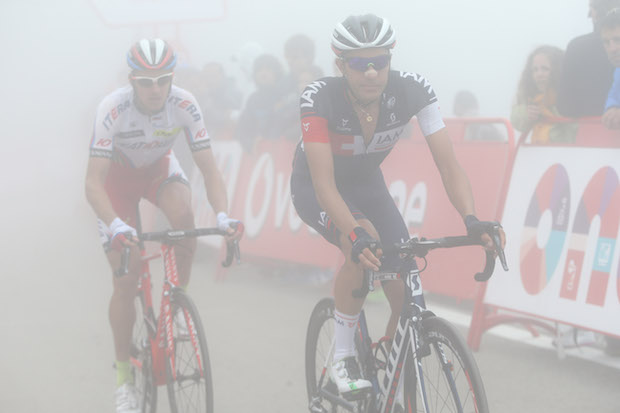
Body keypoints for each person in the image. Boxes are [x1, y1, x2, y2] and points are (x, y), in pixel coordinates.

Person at [290, 14, 504, 394]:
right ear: (340, 64)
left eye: (380, 61)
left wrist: (471, 219)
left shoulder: (413, 91)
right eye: (359, 63)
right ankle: (342, 357)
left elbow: (448, 165)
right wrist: (354, 235)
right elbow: (324, 184)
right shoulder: (318, 98)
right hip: (316, 187)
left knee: (405, 290)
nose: (371, 72)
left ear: (391, 59)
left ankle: (384, 366)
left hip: (368, 185)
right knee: (364, 242)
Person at [85, 39, 241, 413]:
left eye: (163, 80)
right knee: (126, 279)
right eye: (146, 81)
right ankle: (124, 378)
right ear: (132, 80)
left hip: (158, 170)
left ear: (172, 78)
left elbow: (209, 168)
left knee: (184, 215)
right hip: (115, 184)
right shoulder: (112, 108)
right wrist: (115, 225)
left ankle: (176, 303)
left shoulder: (185, 103)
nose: (155, 89)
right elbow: (93, 183)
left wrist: (222, 215)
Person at [557, 0, 619, 117]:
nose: (612, 48)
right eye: (606, 42)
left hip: (587, 128)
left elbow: (565, 107)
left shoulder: (576, 47)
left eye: (592, 7)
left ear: (594, 13)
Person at [511, 46, 576, 143]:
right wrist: (526, 114)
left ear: (558, 70)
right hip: (540, 153)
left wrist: (556, 111)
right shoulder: (533, 98)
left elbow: (573, 132)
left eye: (545, 69)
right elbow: (515, 119)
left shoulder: (571, 97)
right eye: (535, 70)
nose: (539, 74)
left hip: (565, 154)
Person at [235, 53, 287, 151]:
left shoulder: (286, 95)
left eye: (268, 69)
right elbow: (242, 128)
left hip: (284, 153)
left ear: (277, 72)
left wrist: (267, 138)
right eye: (259, 70)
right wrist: (249, 144)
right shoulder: (253, 99)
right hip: (260, 157)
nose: (263, 73)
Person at [601, 8, 620, 128]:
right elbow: (613, 96)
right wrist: (612, 108)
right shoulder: (618, 71)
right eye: (606, 42)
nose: (612, 49)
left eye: (618, 40)